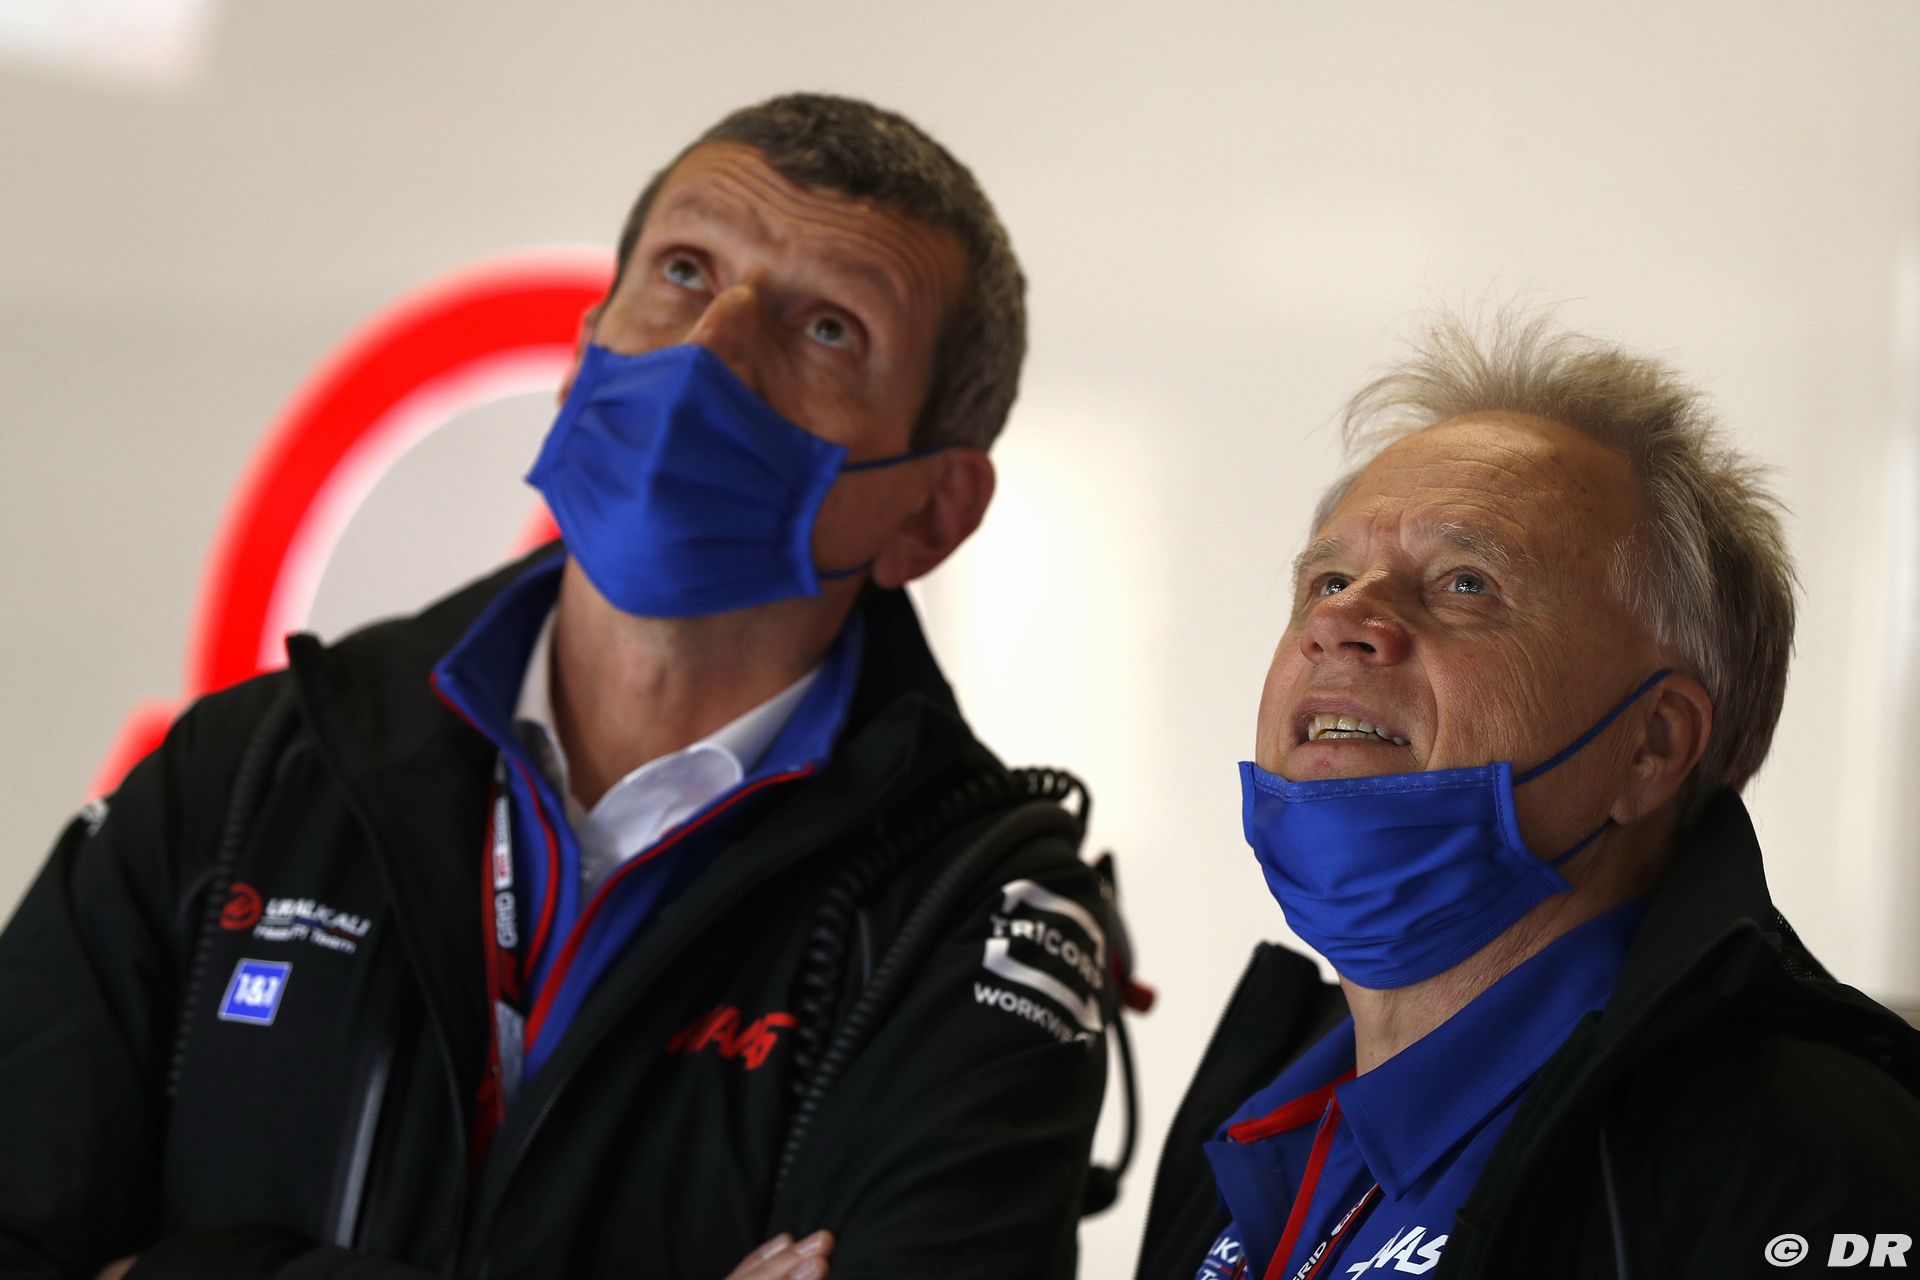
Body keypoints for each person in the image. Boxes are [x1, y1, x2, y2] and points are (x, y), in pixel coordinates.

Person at [0, 93, 1125, 1280]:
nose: (710, 350)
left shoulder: (974, 918)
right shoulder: (250, 773)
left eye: (830, 329)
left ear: (932, 512)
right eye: (684, 271)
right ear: (585, 352)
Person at [1136, 312, 1920, 1280]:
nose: (1341, 620)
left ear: (1653, 743)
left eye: (1465, 583)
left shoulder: (1806, 1161)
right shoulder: (1257, 1126)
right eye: (1328, 579)